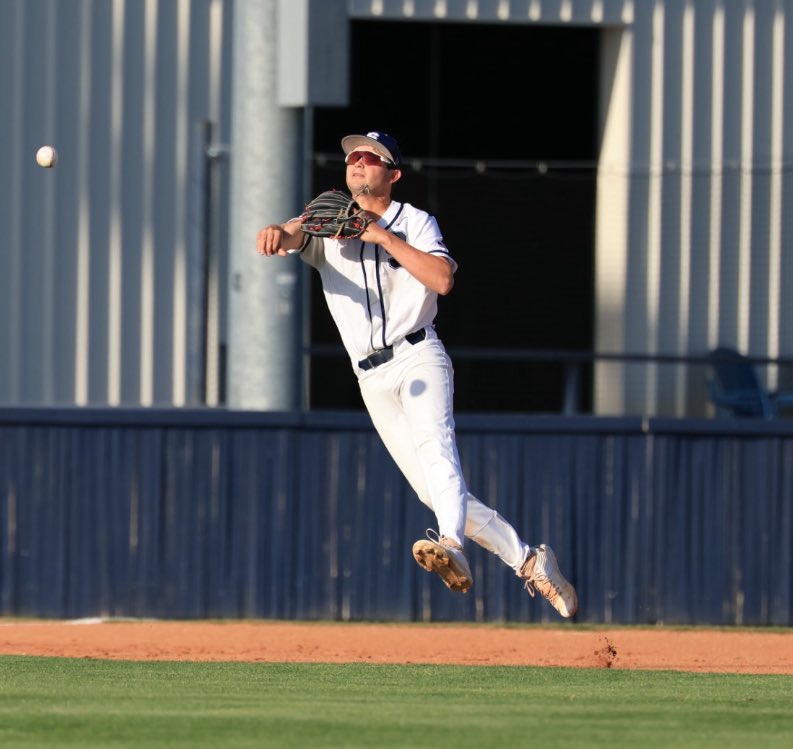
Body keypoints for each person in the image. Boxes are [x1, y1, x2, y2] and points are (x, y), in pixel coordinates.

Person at [256, 130, 578, 618]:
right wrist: (280, 232)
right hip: (370, 378)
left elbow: (443, 279)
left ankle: (451, 543)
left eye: (370, 157)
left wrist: (383, 236)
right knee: (435, 490)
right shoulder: (327, 220)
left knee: (437, 448)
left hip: (417, 357)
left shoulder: (416, 222)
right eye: (353, 158)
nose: (358, 163)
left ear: (393, 174)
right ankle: (530, 560)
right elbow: (295, 231)